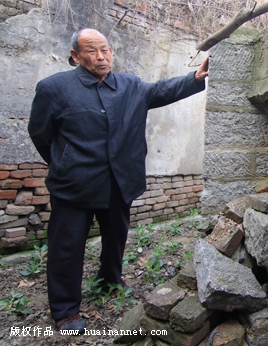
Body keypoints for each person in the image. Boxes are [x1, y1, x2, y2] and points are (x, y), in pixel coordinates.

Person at [28, 28, 208, 334]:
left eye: (105, 50)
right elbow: (40, 134)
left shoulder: (129, 85)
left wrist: (194, 78)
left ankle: (110, 279)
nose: (101, 57)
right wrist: (64, 162)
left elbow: (159, 91)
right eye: (92, 51)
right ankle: (65, 310)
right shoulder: (54, 88)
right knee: (66, 248)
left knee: (115, 237)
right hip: (74, 186)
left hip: (119, 181)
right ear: (76, 56)